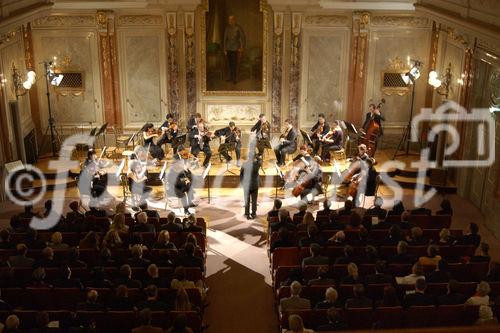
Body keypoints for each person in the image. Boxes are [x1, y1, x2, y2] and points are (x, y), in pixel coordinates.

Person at [223, 14, 245, 84]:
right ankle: (230, 77)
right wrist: (224, 49)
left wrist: (242, 47)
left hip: (236, 49)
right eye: (229, 19)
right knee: (229, 64)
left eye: (232, 19)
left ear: (235, 20)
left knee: (235, 64)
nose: (230, 21)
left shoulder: (238, 28)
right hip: (228, 48)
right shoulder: (227, 28)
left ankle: (235, 79)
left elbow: (243, 38)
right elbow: (224, 39)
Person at [240, 153, 262, 220]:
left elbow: (241, 175)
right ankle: (253, 213)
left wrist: (242, 183)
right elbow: (260, 161)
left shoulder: (244, 164)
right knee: (254, 200)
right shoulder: (257, 165)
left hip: (246, 185)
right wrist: (257, 157)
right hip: (254, 185)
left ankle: (247, 213)